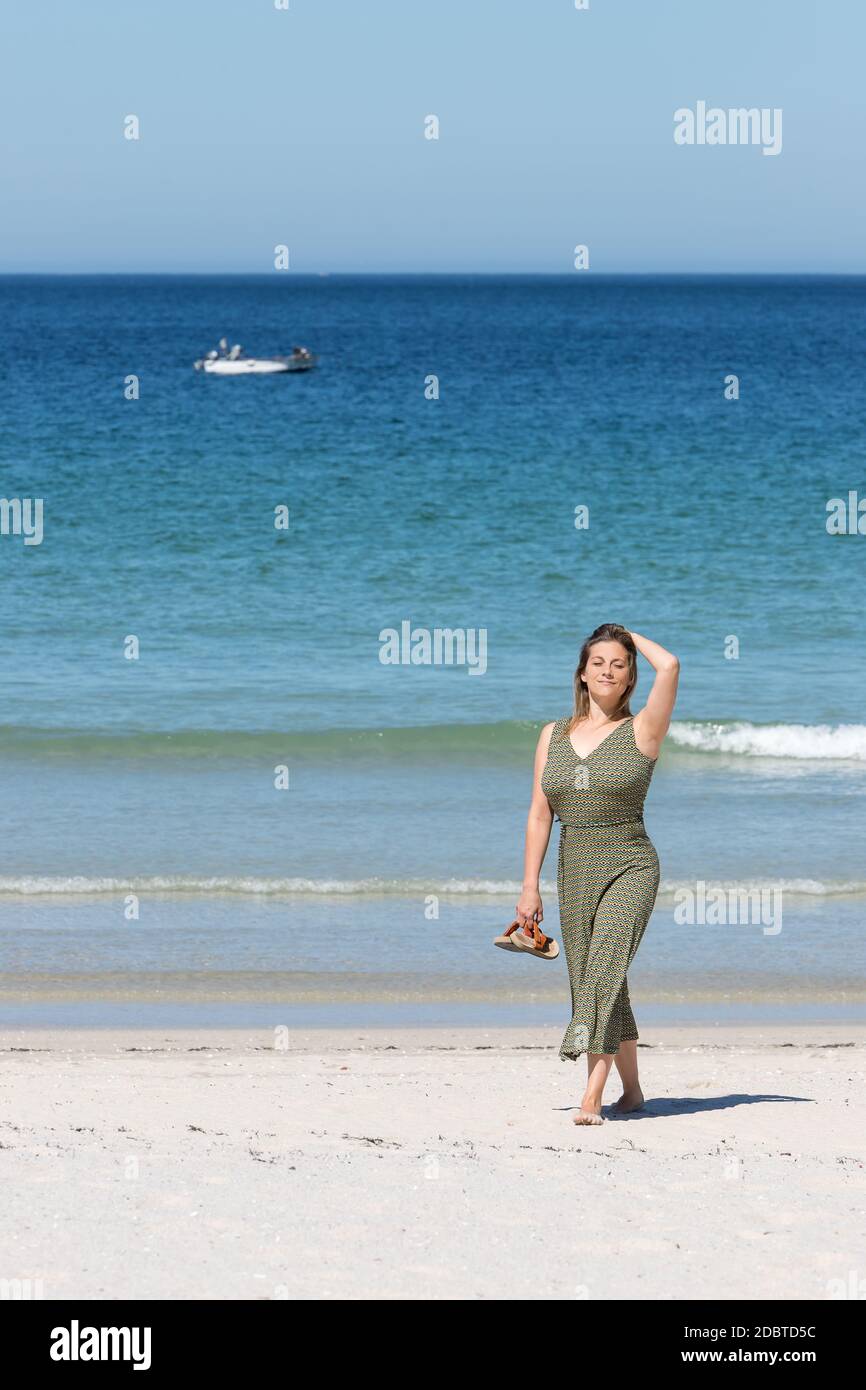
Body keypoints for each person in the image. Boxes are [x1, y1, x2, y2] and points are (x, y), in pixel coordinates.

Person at [516, 624, 679, 1125]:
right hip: (575, 867)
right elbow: (540, 813)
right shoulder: (553, 735)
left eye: (619, 663)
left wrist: (627, 634)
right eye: (598, 663)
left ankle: (592, 1095)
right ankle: (632, 1093)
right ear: (582, 674)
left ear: (630, 677)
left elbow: (670, 666)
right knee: (596, 979)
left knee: (603, 972)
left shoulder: (644, 729)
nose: (607, 670)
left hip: (630, 862)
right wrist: (529, 885)